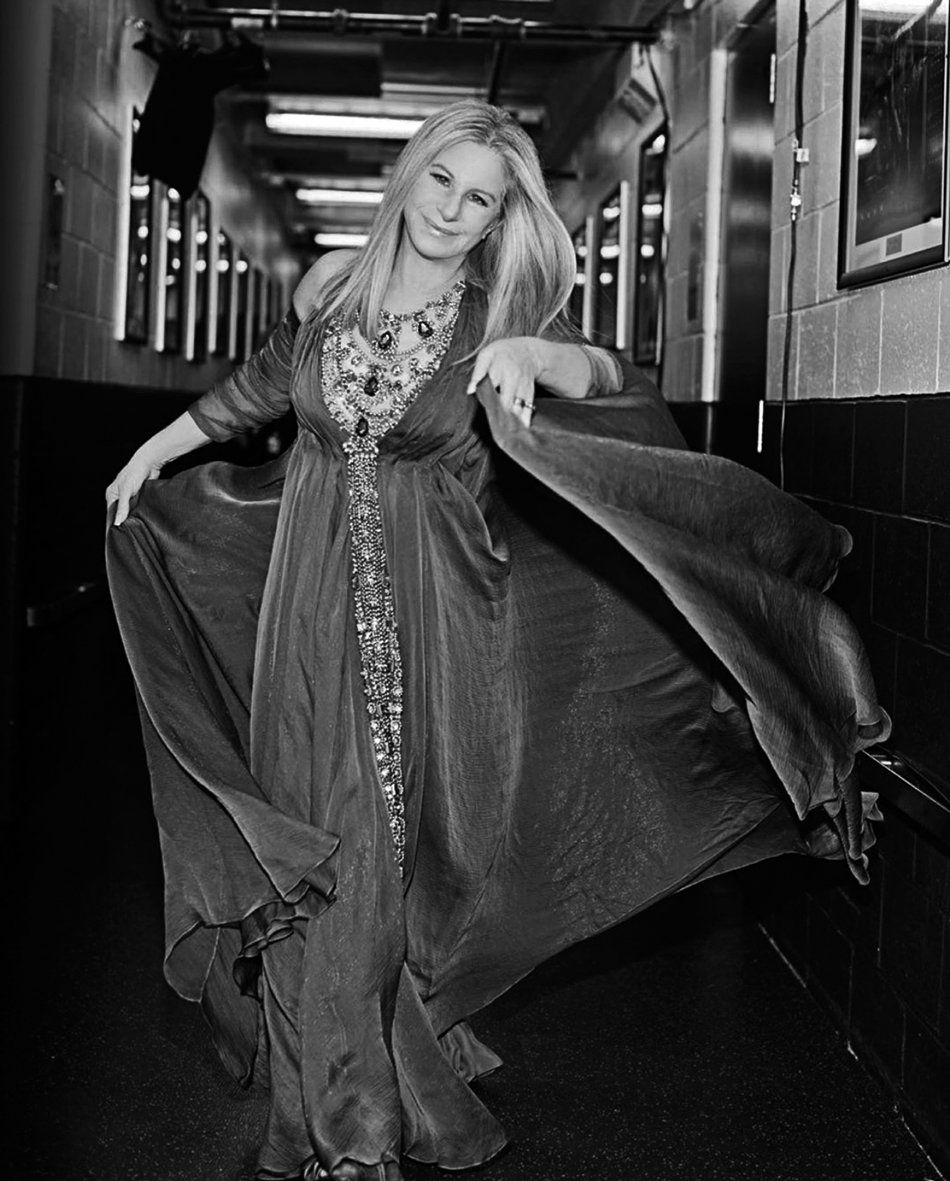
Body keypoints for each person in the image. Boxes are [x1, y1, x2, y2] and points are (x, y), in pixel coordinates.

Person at [105, 101, 888, 1181]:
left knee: (377, 846)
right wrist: (150, 452)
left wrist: (530, 351)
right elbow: (251, 393)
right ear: (408, 173)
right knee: (309, 836)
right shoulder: (332, 293)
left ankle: (354, 1109)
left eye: (478, 200)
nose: (451, 211)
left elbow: (610, 377)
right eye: (441, 182)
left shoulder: (494, 316)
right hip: (306, 619)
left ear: (496, 220)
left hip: (433, 625)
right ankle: (364, 1089)